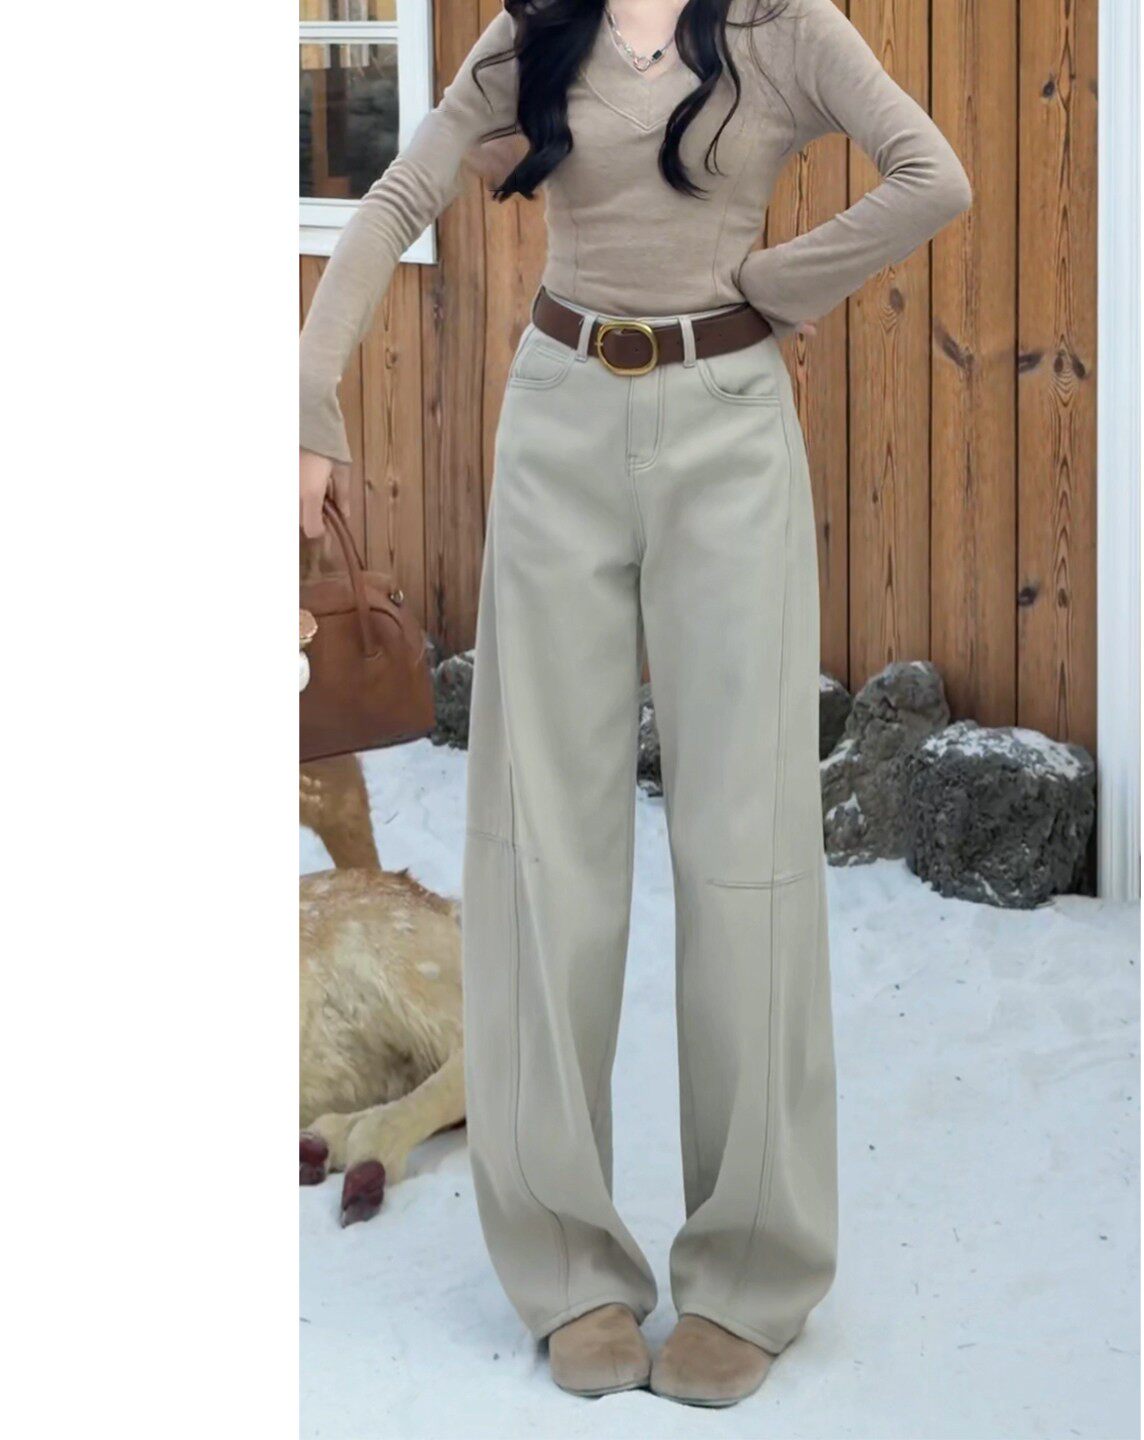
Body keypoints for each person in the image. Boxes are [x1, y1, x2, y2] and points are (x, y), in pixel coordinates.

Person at [298, 0, 969, 1407]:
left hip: (730, 430)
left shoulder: (786, 29)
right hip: (558, 422)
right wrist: (308, 408)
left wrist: (771, 285)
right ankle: (567, 1268)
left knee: (748, 852)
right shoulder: (533, 33)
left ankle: (752, 1274)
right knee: (543, 853)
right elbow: (402, 194)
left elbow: (933, 175)